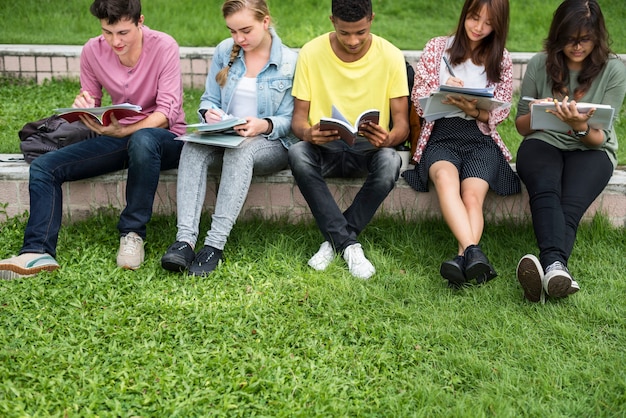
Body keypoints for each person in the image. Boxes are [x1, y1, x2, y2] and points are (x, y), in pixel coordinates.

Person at [0, 0, 185, 278]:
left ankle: (132, 234)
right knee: (44, 167)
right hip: (120, 137)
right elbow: (93, 101)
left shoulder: (164, 46)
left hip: (165, 139)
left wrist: (124, 131)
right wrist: (84, 105)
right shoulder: (93, 50)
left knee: (144, 139)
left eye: (123, 33)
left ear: (140, 21)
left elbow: (167, 112)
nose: (114, 41)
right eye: (107, 33)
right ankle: (37, 251)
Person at [160, 0, 298, 276]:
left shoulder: (290, 61)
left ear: (265, 21)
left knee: (241, 151)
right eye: (233, 31)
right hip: (225, 136)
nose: (238, 38)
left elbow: (292, 120)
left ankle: (214, 244)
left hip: (271, 144)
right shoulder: (225, 50)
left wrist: (263, 124)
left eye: (245, 30)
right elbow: (209, 98)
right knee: (193, 147)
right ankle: (184, 241)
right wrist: (209, 113)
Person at [401, 0, 520, 288]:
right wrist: (444, 91)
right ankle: (474, 254)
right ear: (464, 15)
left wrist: (472, 109)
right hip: (441, 135)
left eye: (488, 23)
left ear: (498, 26)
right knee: (445, 177)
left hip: (480, 138)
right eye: (474, 18)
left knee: (472, 196)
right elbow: (419, 99)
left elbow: (500, 111)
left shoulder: (500, 58)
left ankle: (461, 258)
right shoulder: (438, 47)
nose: (479, 28)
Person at [288, 0, 409, 280]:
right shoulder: (311, 53)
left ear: (372, 20)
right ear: (332, 21)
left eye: (361, 32)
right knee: (297, 153)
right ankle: (349, 244)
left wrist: (389, 137)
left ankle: (337, 240)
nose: (353, 40)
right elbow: (298, 120)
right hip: (326, 147)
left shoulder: (390, 55)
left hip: (368, 149)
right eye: (344, 33)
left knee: (391, 160)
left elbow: (401, 123)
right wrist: (308, 133)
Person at [514, 0, 626, 303]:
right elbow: (522, 127)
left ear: (597, 37)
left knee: (570, 205)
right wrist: (538, 112)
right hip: (543, 142)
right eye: (569, 39)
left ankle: (551, 266)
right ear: (558, 35)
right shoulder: (540, 63)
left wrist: (578, 126)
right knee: (545, 190)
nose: (576, 46)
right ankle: (556, 269)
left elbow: (598, 138)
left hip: (591, 149)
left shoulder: (613, 70)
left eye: (585, 39)